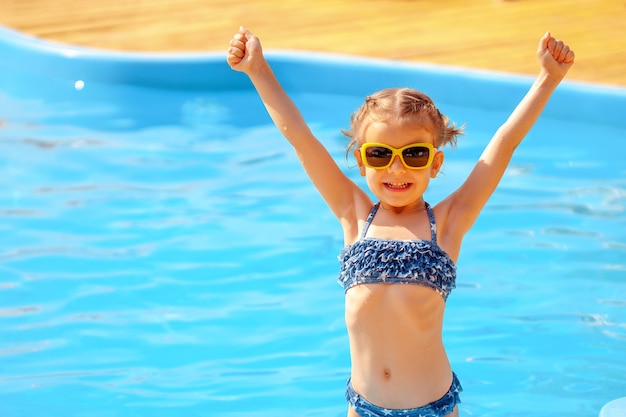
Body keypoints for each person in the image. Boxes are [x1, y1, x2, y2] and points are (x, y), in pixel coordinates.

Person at [227, 27, 574, 417]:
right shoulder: (353, 215)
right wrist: (257, 69)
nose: (396, 168)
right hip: (363, 407)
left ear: (435, 163)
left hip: (433, 409)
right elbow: (300, 138)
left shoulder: (448, 222)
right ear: (361, 161)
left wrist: (548, 79)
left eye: (414, 154)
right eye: (379, 154)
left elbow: (505, 141)